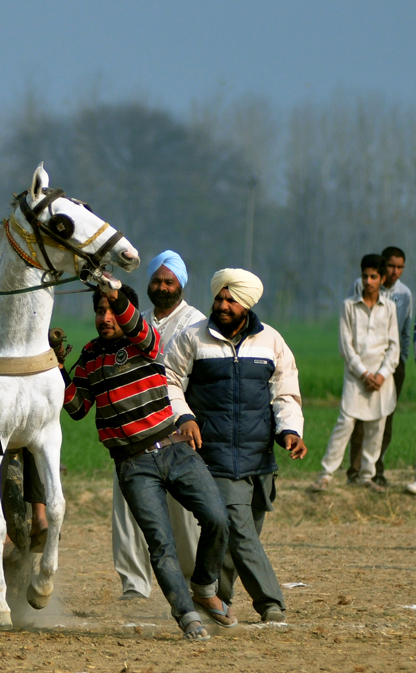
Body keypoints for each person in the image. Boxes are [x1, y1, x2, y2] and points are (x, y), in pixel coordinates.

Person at [62, 280, 232, 641]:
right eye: (99, 310)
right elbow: (76, 408)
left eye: (111, 310)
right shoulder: (91, 356)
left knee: (217, 518)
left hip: (175, 449)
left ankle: (203, 585)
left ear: (126, 311)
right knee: (161, 544)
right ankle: (187, 615)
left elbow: (135, 323)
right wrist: (57, 367)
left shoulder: (146, 337)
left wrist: (113, 289)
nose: (105, 317)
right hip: (133, 466)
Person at [166, 268, 307, 624]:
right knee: (239, 529)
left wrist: (290, 430)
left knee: (236, 535)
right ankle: (271, 602)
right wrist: (184, 417)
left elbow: (285, 391)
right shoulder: (192, 339)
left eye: (231, 300)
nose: (223, 305)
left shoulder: (271, 341)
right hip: (213, 456)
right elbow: (166, 382)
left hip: (260, 457)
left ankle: (215, 598)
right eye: (219, 298)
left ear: (247, 304)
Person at [112, 251, 205, 600]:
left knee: (182, 512)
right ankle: (134, 584)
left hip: (178, 429)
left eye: (169, 281)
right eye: (157, 280)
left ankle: (190, 579)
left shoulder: (197, 323)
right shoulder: (135, 321)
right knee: (128, 508)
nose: (163, 286)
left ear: (181, 284)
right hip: (133, 429)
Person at [312, 255, 400, 493]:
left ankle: (366, 476)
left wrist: (381, 375)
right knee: (345, 423)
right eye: (365, 276)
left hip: (382, 380)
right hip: (356, 376)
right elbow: (346, 346)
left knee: (376, 426)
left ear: (382, 279)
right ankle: (326, 475)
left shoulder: (390, 307)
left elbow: (394, 346)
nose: (368, 281)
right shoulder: (349, 306)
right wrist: (363, 373)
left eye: (373, 277)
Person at [345, 247, 411, 487]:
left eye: (400, 267)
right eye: (391, 266)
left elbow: (404, 331)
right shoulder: (363, 287)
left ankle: (376, 469)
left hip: (392, 364)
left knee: (385, 418)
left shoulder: (405, 294)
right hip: (365, 362)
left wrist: (399, 361)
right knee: (359, 418)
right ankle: (354, 471)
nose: (395, 271)